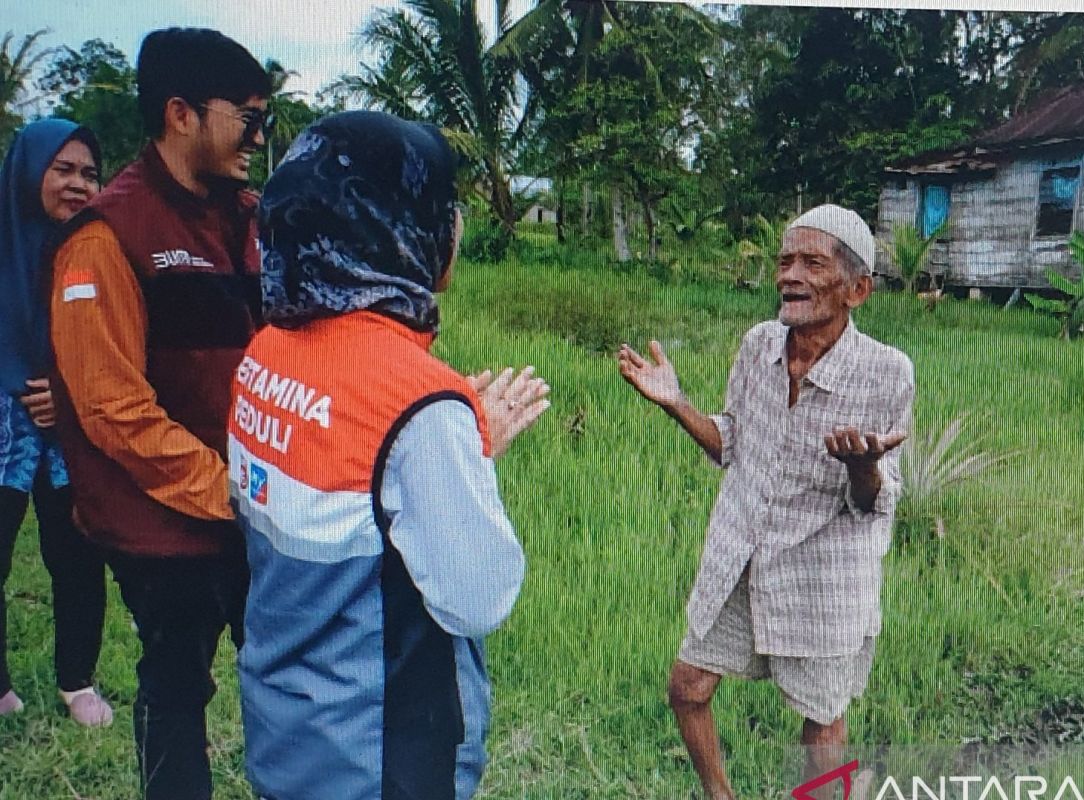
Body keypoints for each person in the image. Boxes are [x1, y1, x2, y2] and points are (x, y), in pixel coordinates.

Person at [228, 111, 548, 800]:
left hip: (287, 729)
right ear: (400, 226)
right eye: (447, 208)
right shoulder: (420, 401)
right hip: (379, 756)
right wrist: (469, 445)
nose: (456, 228)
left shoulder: (267, 352)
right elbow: (478, 597)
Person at [618, 204, 914, 800]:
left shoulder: (886, 372)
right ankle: (719, 795)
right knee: (688, 687)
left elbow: (876, 502)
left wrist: (864, 469)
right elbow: (731, 439)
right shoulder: (758, 346)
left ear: (858, 289)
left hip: (822, 577)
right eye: (784, 261)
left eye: (811, 262)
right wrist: (677, 403)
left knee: (822, 723)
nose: (789, 275)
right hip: (743, 557)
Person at [46, 28, 270, 800]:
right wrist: (229, 490)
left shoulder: (244, 217)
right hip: (164, 522)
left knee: (284, 673)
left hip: (250, 505)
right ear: (182, 114)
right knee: (175, 687)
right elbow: (111, 408)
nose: (259, 137)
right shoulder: (107, 238)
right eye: (247, 118)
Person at [0, 118, 112, 727]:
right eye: (63, 169)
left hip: (69, 429)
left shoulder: (95, 249)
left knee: (76, 553)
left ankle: (77, 681)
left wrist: (64, 394)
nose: (78, 185)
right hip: (1, 423)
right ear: (28, 170)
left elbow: (116, 342)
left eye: (90, 174)